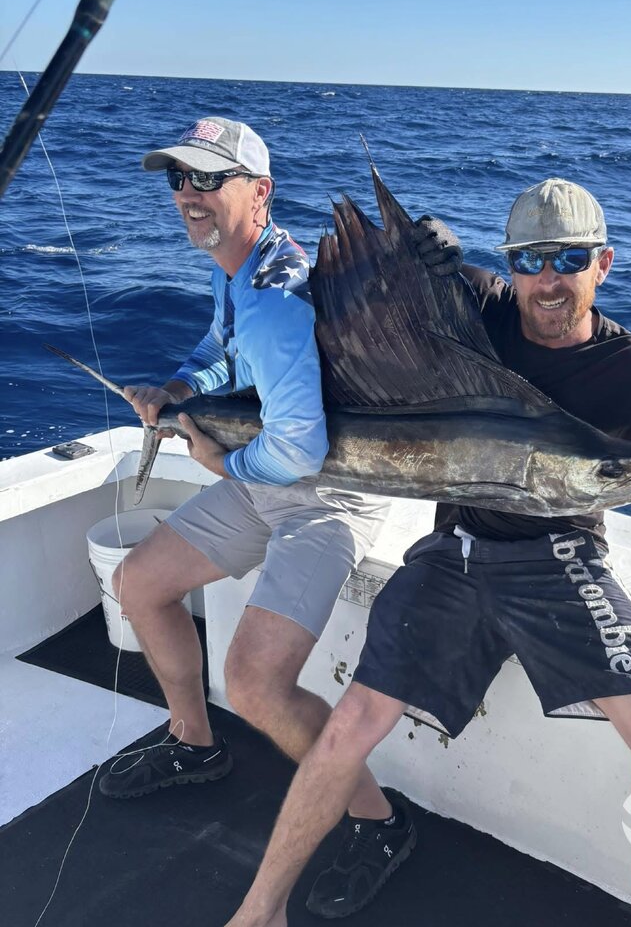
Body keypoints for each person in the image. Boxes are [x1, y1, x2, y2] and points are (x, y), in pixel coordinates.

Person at [224, 178, 631, 927]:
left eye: (569, 258)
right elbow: (435, 280)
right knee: (349, 723)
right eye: (530, 261)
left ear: (604, 263)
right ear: (512, 266)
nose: (548, 280)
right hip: (450, 554)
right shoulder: (482, 310)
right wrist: (428, 253)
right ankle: (259, 912)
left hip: (562, 557)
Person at [98, 117, 417, 913]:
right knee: (140, 585)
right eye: (179, 180)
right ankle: (192, 745)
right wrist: (178, 389)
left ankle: (378, 821)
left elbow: (302, 449)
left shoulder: (276, 297)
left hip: (324, 494)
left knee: (255, 684)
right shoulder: (236, 269)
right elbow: (220, 343)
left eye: (209, 179)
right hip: (261, 475)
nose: (187, 196)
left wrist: (222, 463)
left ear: (259, 191)